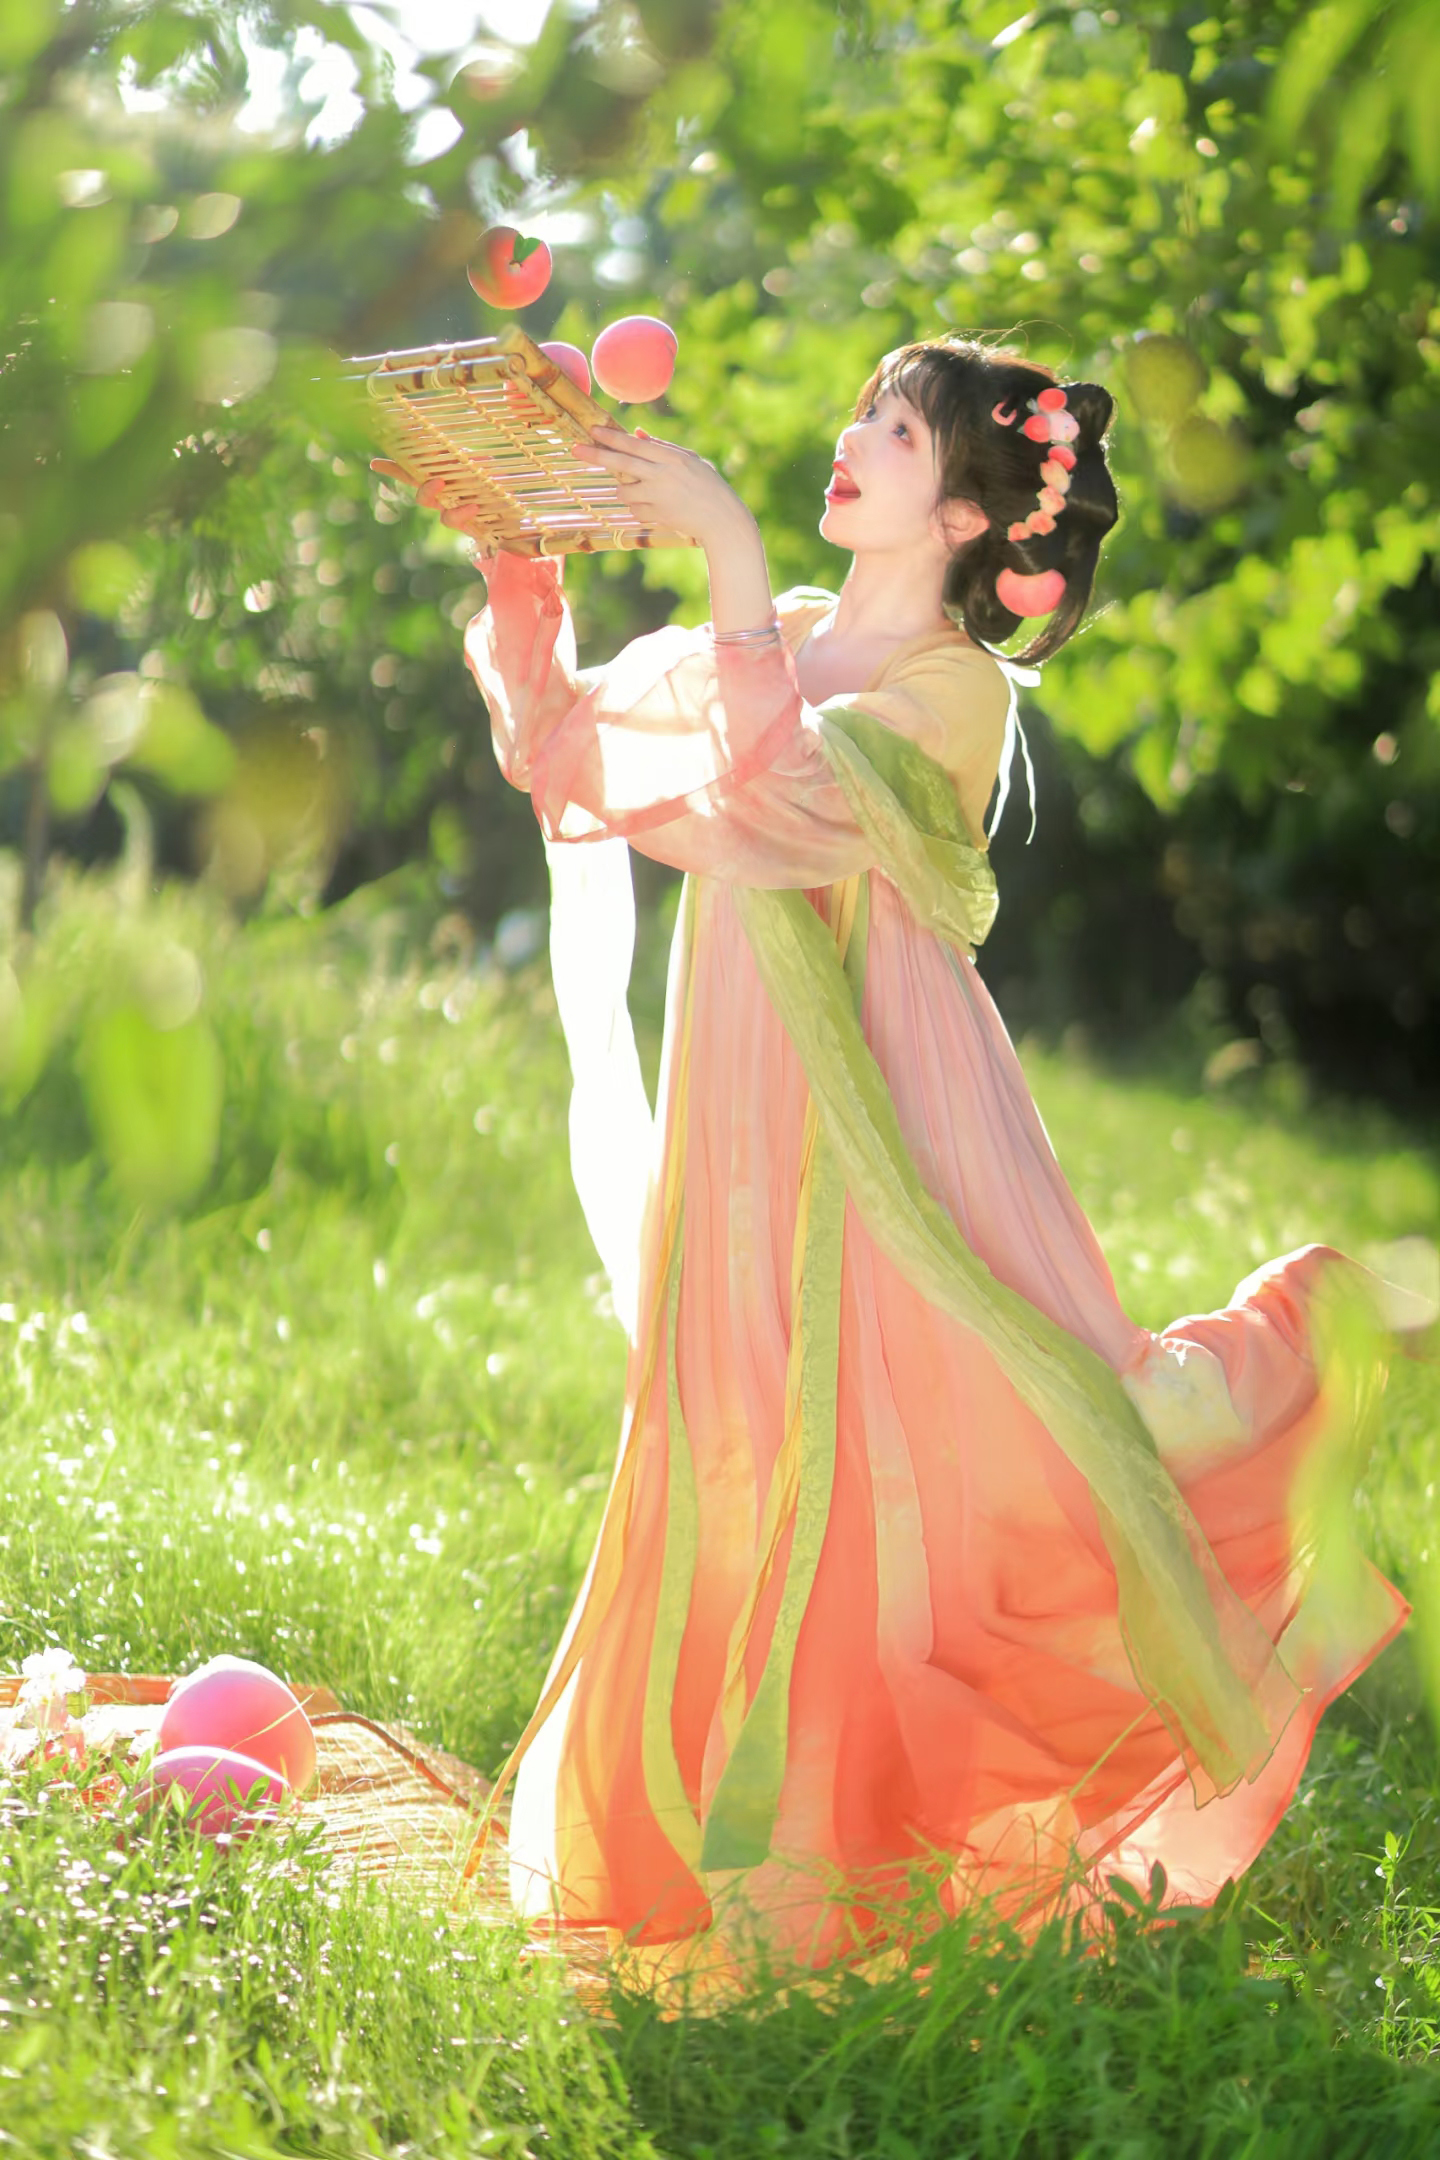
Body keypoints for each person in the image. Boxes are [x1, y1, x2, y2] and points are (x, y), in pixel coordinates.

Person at [377, 334, 1412, 1976]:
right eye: (862, 406)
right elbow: (573, 756)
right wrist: (521, 557)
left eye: (899, 430)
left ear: (967, 517)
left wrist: (723, 543)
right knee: (744, 1446)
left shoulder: (953, 690)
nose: (852, 437)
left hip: (896, 1130)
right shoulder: (782, 632)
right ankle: (729, 1851)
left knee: (974, 1446)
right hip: (746, 1122)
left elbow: (781, 803)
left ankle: (1304, 1347)